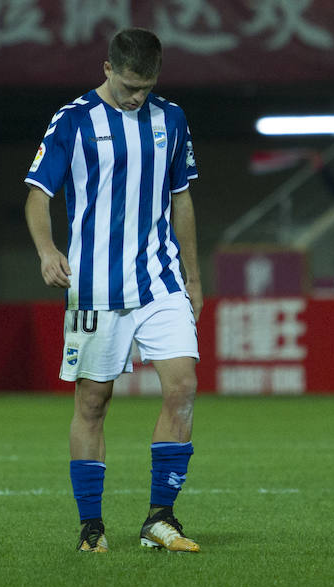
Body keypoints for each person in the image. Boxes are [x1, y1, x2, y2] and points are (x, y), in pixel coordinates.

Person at [23, 28, 202, 554]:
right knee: (93, 401)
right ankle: (92, 527)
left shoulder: (171, 119)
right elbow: (37, 193)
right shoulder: (74, 120)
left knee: (183, 387)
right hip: (95, 285)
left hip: (160, 279)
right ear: (106, 68)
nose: (136, 96)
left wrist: (192, 276)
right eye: (128, 84)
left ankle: (160, 519)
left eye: (146, 86)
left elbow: (182, 199)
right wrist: (46, 250)